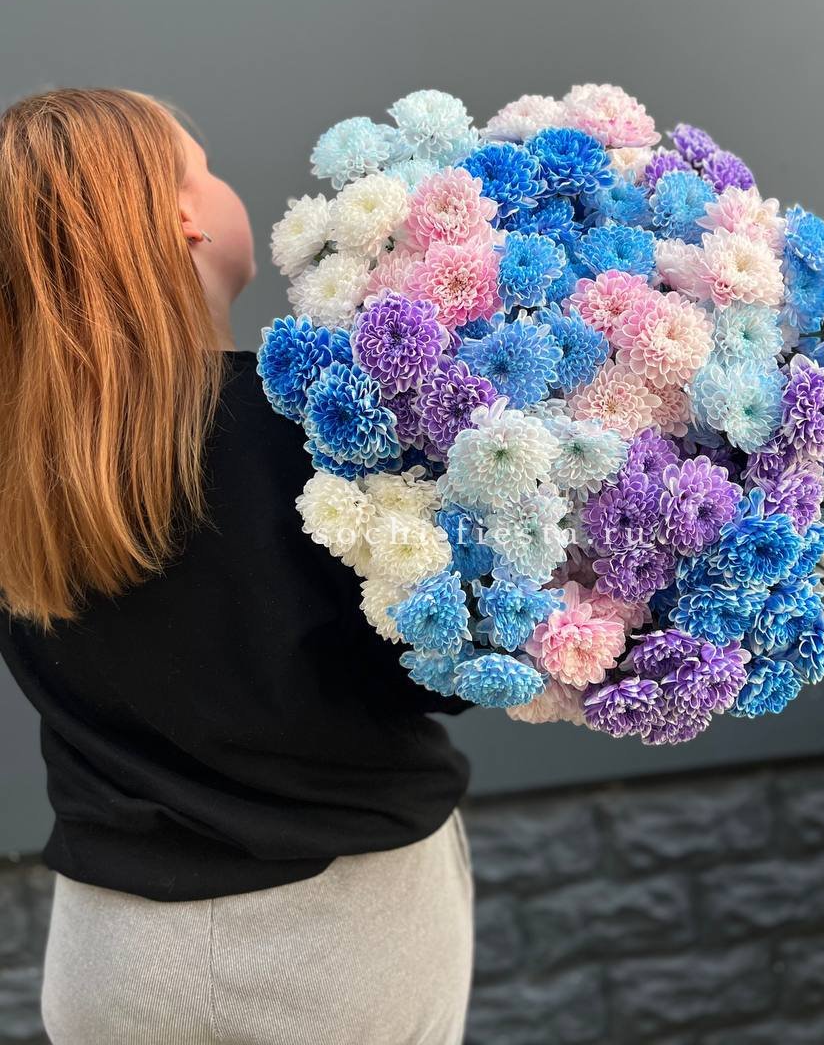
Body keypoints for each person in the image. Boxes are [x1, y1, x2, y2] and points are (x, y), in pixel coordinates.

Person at [0, 88, 474, 1045]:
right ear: (185, 218)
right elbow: (433, 666)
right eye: (203, 167)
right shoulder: (311, 433)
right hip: (336, 936)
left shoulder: (23, 468)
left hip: (111, 955)